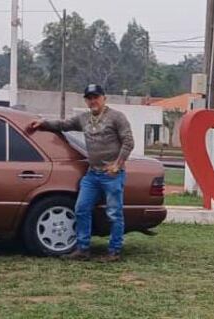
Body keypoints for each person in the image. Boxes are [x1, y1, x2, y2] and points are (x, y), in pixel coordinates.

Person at [29, 84, 134, 262]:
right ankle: (82, 248)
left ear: (104, 98)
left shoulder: (116, 117)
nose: (93, 101)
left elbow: (128, 142)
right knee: (81, 209)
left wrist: (117, 165)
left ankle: (114, 251)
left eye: (96, 97)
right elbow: (64, 125)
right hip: (92, 175)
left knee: (114, 213)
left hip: (112, 175)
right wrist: (43, 123)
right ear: (86, 100)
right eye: (89, 98)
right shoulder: (84, 119)